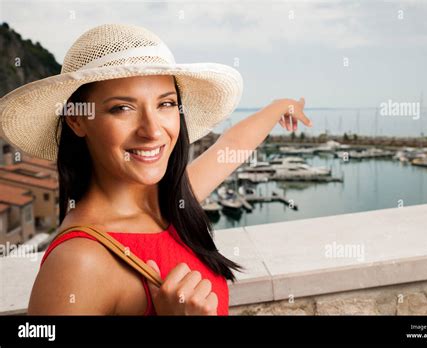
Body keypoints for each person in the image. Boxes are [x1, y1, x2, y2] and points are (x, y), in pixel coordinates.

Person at [0, 24, 312, 315]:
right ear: (76, 119)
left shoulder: (167, 202)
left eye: (165, 104)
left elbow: (232, 146)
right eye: (122, 108)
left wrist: (281, 106)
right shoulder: (77, 263)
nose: (152, 131)